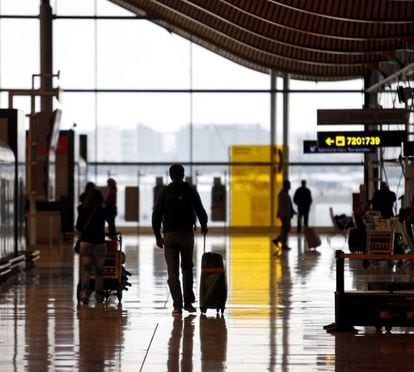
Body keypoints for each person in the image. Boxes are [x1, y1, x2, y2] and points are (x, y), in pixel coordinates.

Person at [152, 164, 208, 316]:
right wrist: (204, 224)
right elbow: (200, 209)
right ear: (183, 175)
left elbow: (156, 215)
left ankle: (177, 306)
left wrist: (158, 236)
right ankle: (188, 303)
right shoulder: (190, 190)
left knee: (172, 270)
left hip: (169, 235)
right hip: (186, 234)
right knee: (187, 268)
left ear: (170, 175)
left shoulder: (164, 192)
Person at [75, 188, 109, 305]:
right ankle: (99, 296)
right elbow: (110, 222)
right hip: (99, 244)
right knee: (99, 271)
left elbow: (78, 227)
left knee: (86, 270)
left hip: (85, 243)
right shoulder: (102, 210)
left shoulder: (82, 210)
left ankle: (84, 294)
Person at [273, 180, 295, 250]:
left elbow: (289, 204)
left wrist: (292, 211)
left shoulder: (285, 193)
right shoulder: (282, 194)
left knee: (286, 228)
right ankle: (283, 244)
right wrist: (288, 214)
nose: (290, 187)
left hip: (286, 214)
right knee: (285, 228)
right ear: (285, 185)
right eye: (288, 185)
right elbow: (283, 206)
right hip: (284, 215)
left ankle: (278, 240)